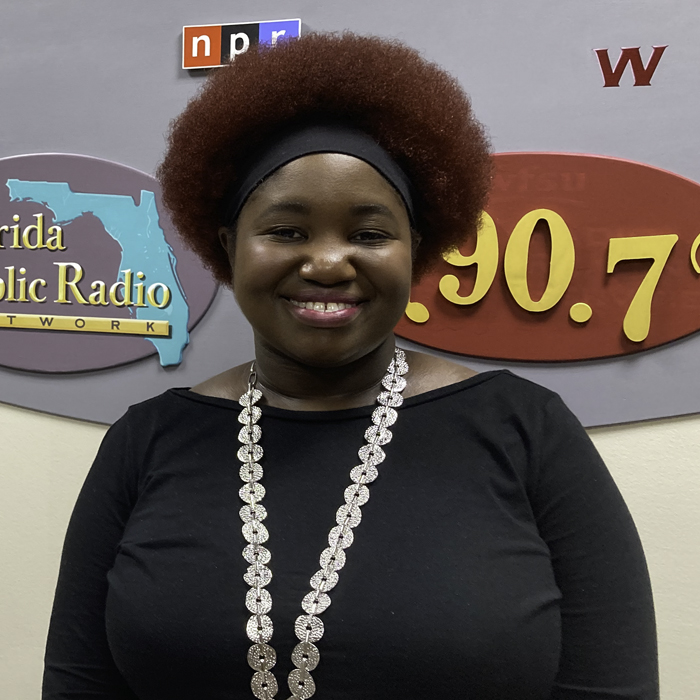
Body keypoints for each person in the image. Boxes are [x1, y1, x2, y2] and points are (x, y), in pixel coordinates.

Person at [43, 32, 658, 700]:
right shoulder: (145, 444)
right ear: (229, 245)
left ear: (416, 248)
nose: (330, 263)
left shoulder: (525, 430)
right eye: (286, 230)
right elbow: (79, 683)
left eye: (369, 233)